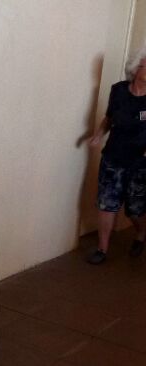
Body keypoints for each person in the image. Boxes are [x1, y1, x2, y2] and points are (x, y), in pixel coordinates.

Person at [87, 50, 146, 264]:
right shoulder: (119, 90)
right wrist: (98, 135)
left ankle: (141, 233)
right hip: (113, 157)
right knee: (107, 203)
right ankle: (102, 249)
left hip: (140, 162)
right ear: (136, 68)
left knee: (135, 208)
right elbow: (109, 118)